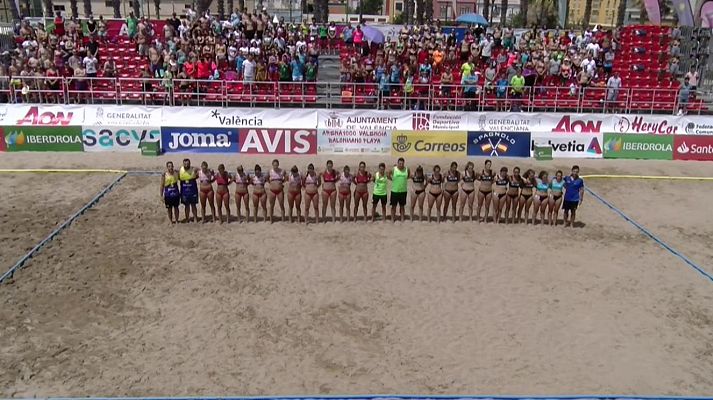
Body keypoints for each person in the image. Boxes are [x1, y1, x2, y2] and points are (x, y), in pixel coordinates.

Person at [388, 157, 409, 222]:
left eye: (402, 163)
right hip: (395, 191)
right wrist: (392, 179)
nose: (401, 165)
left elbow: (408, 176)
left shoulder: (406, 169)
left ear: (404, 163)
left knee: (402, 206)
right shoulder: (394, 169)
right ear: (398, 163)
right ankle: (392, 218)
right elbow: (388, 174)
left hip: (403, 191)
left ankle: (402, 218)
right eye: (400, 163)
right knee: (393, 206)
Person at [179, 158, 199, 223]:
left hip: (193, 190)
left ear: (190, 164)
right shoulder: (180, 170)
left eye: (188, 163)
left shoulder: (193, 169)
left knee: (193, 205)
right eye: (185, 164)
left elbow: (200, 170)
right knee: (186, 206)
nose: (186, 165)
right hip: (184, 191)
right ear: (183, 164)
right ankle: (187, 219)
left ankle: (195, 218)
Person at [267, 159, 286, 223]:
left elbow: (286, 178)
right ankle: (271, 220)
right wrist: (270, 183)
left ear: (278, 165)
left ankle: (283, 219)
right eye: (274, 165)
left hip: (280, 191)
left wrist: (281, 182)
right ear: (272, 165)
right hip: (272, 191)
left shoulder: (282, 171)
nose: (275, 166)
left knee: (281, 205)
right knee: (271, 205)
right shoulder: (270, 171)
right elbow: (266, 178)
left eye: (276, 165)